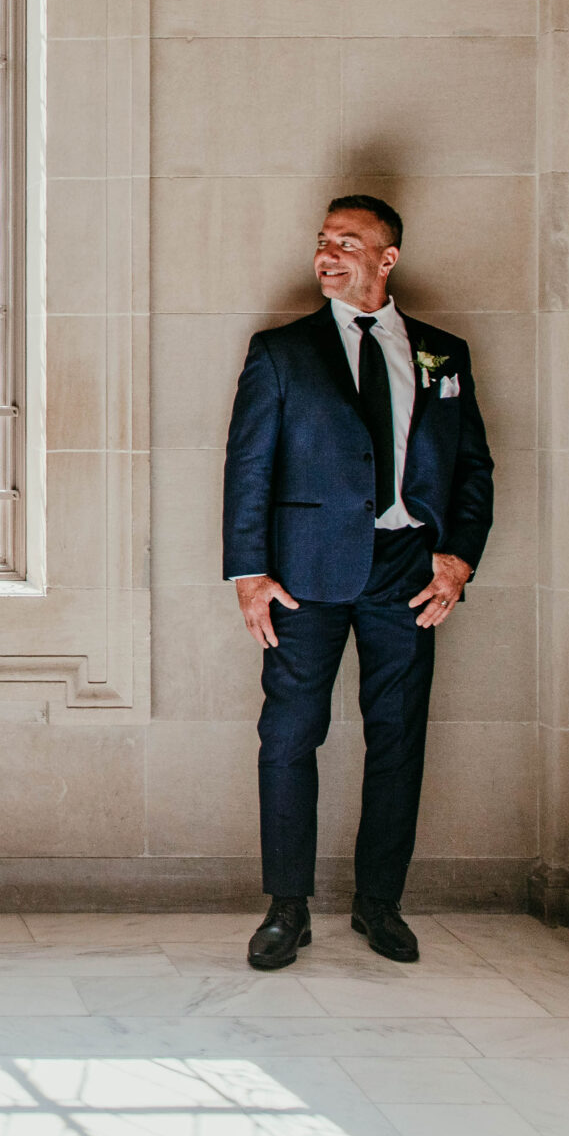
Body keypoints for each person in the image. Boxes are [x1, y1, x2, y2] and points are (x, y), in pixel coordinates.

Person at [221, 195, 494, 970]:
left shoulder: (443, 353)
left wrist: (459, 557)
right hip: (304, 575)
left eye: (348, 241)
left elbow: (474, 468)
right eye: (321, 241)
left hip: (409, 568)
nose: (328, 254)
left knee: (399, 737)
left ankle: (380, 902)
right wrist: (250, 574)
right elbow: (248, 469)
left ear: (387, 258)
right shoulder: (281, 351)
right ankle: (286, 906)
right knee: (288, 734)